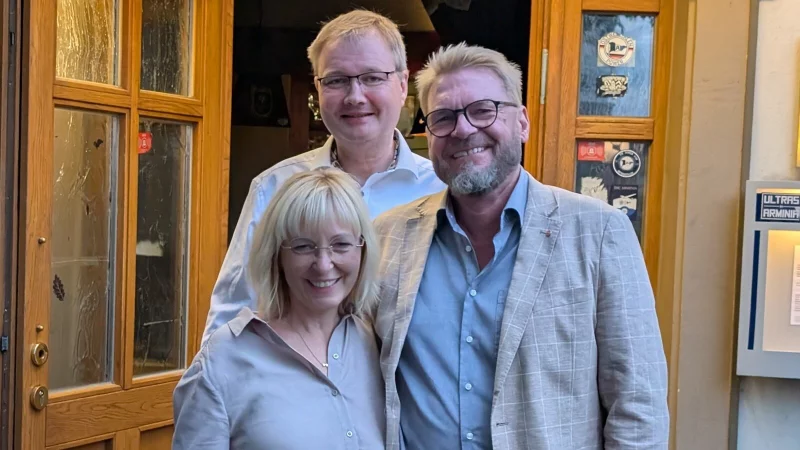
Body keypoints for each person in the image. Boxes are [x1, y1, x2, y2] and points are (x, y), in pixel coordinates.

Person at [372, 43, 670, 450]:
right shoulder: (387, 237)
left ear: (523, 122)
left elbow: (639, 406)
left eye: (483, 110)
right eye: (443, 118)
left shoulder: (598, 234)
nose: (462, 129)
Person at [202, 10, 446, 344]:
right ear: (317, 88)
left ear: (403, 85)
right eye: (336, 80)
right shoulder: (274, 188)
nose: (355, 96)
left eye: (372, 77)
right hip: (298, 388)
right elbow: (232, 314)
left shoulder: (443, 191)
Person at [173, 168, 385, 449]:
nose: (323, 264)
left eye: (341, 245)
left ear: (363, 250)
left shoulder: (378, 342)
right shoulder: (223, 360)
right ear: (277, 255)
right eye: (303, 246)